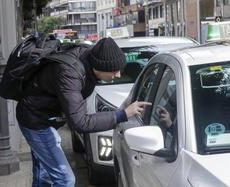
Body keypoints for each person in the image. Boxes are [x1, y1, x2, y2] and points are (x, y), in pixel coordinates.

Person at [16, 37, 151, 187]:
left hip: (44, 118)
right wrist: (122, 115)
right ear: (100, 66)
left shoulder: (89, 61)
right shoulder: (70, 73)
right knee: (65, 180)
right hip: (36, 121)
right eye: (114, 70)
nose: (118, 75)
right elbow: (80, 122)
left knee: (43, 176)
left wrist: (123, 107)